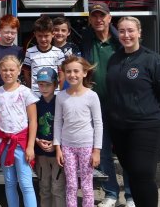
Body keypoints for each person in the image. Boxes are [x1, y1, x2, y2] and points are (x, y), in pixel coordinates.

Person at [105, 16, 160, 207]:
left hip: (147, 127)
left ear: (139, 33)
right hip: (120, 129)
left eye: (130, 30)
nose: (126, 35)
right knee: (132, 173)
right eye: (122, 31)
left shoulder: (153, 61)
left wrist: (154, 114)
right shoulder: (114, 59)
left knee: (142, 173)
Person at [80, 2, 132, 207]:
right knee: (103, 154)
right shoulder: (86, 40)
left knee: (126, 153)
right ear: (90, 20)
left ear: (110, 18)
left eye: (102, 16)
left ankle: (130, 196)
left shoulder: (121, 41)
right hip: (96, 108)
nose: (98, 19)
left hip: (121, 107)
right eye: (95, 16)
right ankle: (111, 193)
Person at [0, 55, 38, 207]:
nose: (8, 73)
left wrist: (30, 146)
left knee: (25, 183)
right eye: (4, 70)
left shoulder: (26, 92)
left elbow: (33, 121)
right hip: (3, 143)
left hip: (21, 144)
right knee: (9, 182)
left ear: (18, 71)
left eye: (11, 69)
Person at [54, 57, 103, 207]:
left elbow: (98, 124)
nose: (72, 74)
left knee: (87, 187)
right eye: (68, 71)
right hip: (67, 147)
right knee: (71, 185)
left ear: (84, 73)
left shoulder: (92, 96)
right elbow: (57, 122)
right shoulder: (61, 96)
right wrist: (58, 148)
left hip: (87, 147)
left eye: (76, 71)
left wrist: (97, 150)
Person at [34, 67, 66, 207]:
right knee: (44, 188)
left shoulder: (61, 102)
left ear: (55, 84)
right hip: (41, 153)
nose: (44, 88)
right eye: (41, 84)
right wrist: (37, 141)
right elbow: (30, 127)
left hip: (58, 153)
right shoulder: (35, 104)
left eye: (48, 84)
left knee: (57, 188)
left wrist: (56, 143)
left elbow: (67, 127)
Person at [23, 16, 66, 97]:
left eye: (46, 36)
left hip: (54, 95)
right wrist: (31, 91)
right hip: (35, 96)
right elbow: (26, 74)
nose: (43, 39)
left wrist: (58, 91)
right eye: (40, 36)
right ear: (35, 35)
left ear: (53, 34)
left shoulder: (58, 52)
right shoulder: (30, 52)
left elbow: (62, 74)